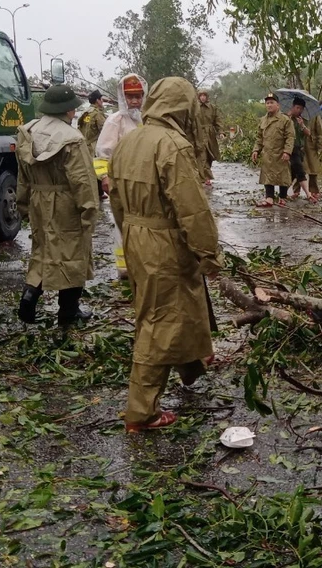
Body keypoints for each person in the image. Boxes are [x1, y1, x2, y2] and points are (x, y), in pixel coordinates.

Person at [109, 77, 222, 433]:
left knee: (171, 307)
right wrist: (209, 254)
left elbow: (115, 199)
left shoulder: (128, 141)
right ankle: (141, 413)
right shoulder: (172, 144)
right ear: (182, 107)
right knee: (160, 321)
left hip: (135, 237)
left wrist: (132, 235)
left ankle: (191, 368)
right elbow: (192, 209)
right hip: (164, 242)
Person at [16, 85, 99, 326]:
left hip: (38, 200)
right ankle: (68, 312)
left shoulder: (27, 132)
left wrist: (23, 206)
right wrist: (89, 212)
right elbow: (83, 180)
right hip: (65, 203)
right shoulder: (72, 139)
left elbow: (22, 175)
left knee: (43, 251)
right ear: (69, 110)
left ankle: (28, 300)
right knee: (73, 253)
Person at [94, 73, 148, 279]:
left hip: (145, 183)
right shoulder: (115, 121)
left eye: (138, 96)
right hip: (122, 182)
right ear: (122, 97)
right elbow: (102, 153)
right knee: (123, 223)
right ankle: (124, 267)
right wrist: (105, 178)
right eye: (130, 96)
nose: (134, 100)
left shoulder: (147, 119)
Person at [252, 92, 294, 207]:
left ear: (278, 105)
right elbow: (259, 137)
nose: (269, 105)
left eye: (272, 103)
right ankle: (269, 198)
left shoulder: (285, 120)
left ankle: (282, 197)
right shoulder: (263, 120)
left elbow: (290, 137)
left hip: (280, 152)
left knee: (282, 176)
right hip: (267, 153)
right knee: (267, 176)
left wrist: (287, 151)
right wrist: (256, 150)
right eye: (267, 103)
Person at [290, 98, 322, 201]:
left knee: (313, 168)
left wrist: (320, 144)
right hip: (299, 145)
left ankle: (314, 190)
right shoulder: (294, 114)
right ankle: (296, 190)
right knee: (299, 167)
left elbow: (319, 130)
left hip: (311, 144)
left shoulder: (314, 115)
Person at [286, 98, 318, 203]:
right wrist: (288, 118)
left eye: (301, 109)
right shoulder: (286, 118)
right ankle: (308, 194)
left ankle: (282, 193)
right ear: (293, 107)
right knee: (300, 170)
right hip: (290, 148)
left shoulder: (302, 120)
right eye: (297, 108)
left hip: (299, 149)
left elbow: (308, 133)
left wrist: (302, 125)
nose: (299, 110)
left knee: (293, 173)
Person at [195, 89, 222, 186]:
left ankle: (204, 175)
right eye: (201, 95)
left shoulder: (212, 107)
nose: (202, 97)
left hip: (210, 134)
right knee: (202, 155)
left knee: (210, 155)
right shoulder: (195, 107)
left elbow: (217, 120)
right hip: (199, 133)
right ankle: (206, 177)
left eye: (204, 95)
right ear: (198, 97)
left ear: (207, 97)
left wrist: (220, 132)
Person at [77, 89, 107, 157]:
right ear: (97, 100)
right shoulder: (97, 114)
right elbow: (105, 131)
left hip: (84, 146)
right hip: (94, 148)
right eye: (101, 99)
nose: (102, 101)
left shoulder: (86, 112)